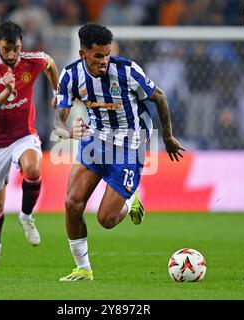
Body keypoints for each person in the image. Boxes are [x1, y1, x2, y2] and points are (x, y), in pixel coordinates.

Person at [54, 24, 185, 281]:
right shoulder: (70, 76)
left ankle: (128, 200)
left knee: (106, 220)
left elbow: (159, 97)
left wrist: (167, 137)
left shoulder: (126, 70)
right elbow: (59, 117)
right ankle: (83, 268)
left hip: (129, 146)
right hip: (95, 142)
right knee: (72, 204)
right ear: (83, 54)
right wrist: (67, 130)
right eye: (97, 56)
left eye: (107, 55)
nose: (104, 61)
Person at [0, 21, 59, 267]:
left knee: (34, 168)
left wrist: (58, 93)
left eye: (16, 48)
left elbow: (50, 63)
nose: (12, 55)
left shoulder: (31, 61)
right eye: (6, 49)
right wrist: (6, 91)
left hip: (24, 135)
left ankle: (26, 216)